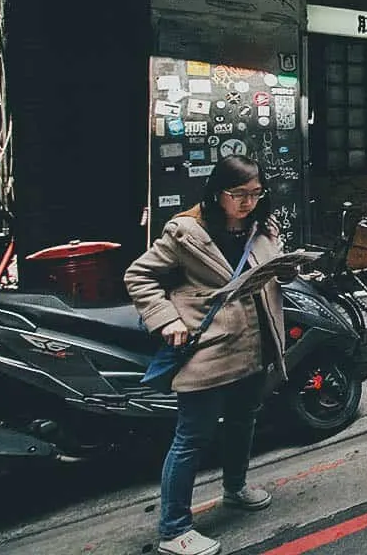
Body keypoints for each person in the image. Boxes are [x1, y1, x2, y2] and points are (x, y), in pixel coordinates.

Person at [125, 156, 290, 555]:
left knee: (242, 422)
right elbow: (139, 275)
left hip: (254, 344)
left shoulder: (261, 226)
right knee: (191, 438)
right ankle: (173, 529)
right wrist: (166, 320)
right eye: (239, 194)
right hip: (207, 347)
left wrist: (288, 268)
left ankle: (235, 488)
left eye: (255, 193)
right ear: (218, 192)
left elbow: (272, 272)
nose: (248, 202)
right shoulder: (186, 232)